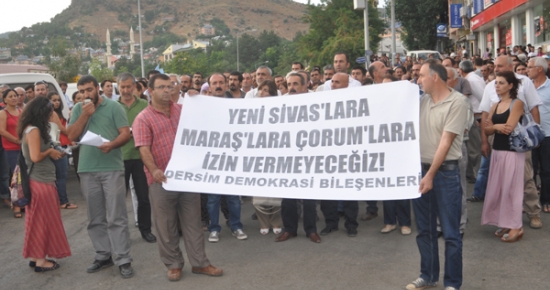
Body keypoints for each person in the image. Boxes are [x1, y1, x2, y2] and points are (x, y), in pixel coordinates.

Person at [133, 73, 223, 281]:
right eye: (162, 87)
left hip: (187, 178)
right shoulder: (143, 118)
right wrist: (154, 169)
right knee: (166, 226)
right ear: (151, 91)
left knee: (193, 224)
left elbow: (208, 120)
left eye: (170, 86)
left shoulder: (184, 111)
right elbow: (144, 149)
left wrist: (198, 99)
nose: (167, 90)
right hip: (161, 180)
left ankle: (200, 263)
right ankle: (173, 264)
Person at [406, 60, 468, 290]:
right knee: (425, 229)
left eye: (421, 75)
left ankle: (452, 283)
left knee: (451, 232)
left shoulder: (458, 102)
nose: (417, 79)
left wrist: (430, 175)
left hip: (445, 174)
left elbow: (446, 142)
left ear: (435, 77)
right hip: (420, 172)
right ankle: (428, 275)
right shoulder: (421, 102)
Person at [67, 75, 134, 278]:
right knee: (95, 217)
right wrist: (85, 115)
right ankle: (103, 255)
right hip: (87, 169)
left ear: (97, 88)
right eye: (82, 92)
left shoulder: (114, 107)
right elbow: (71, 136)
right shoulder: (79, 109)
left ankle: (123, 258)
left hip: (111, 167)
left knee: (117, 216)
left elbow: (125, 133)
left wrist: (111, 145)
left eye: (89, 90)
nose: (86, 95)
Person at [20, 97, 71, 272]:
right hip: (40, 181)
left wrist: (53, 150)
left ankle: (36, 257)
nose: (52, 113)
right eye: (50, 110)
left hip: (38, 180)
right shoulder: (33, 130)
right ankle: (41, 261)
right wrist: (50, 151)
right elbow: (35, 157)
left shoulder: (32, 129)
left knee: (37, 221)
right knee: (43, 222)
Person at [276, 73, 321, 244]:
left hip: (309, 154)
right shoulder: (280, 102)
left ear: (305, 86)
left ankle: (311, 230)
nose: (292, 87)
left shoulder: (316, 101)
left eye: (295, 83)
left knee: (309, 197)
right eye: (289, 84)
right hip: (288, 155)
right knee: (288, 197)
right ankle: (289, 229)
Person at [481, 71, 525, 243]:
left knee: (512, 190)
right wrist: (496, 127)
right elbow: (486, 130)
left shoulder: (518, 103)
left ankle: (516, 226)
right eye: (496, 83)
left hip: (513, 152)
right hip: (498, 151)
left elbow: (509, 127)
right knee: (500, 189)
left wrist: (495, 126)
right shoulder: (495, 105)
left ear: (510, 86)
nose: (497, 85)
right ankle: (507, 222)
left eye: (500, 83)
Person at [117, 72, 156, 243]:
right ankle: (121, 233)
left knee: (143, 197)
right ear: (118, 87)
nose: (126, 90)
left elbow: (151, 125)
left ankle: (145, 230)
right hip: (120, 157)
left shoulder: (144, 104)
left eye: (128, 87)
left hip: (141, 157)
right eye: (122, 87)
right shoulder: (113, 106)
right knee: (118, 199)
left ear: (134, 87)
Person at [47, 92, 77, 210]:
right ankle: (63, 201)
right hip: (56, 146)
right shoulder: (52, 113)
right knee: (61, 176)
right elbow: (62, 130)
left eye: (58, 100)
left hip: (50, 146)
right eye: (54, 100)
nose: (57, 102)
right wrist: (72, 137)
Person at [527, 57, 550, 213]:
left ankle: (546, 200)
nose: (527, 69)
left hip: (547, 135)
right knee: (530, 171)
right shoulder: (526, 87)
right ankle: (530, 204)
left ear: (540, 69)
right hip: (528, 136)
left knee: (547, 170)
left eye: (530, 67)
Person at [0, 89, 22, 218]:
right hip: (11, 149)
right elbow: (2, 131)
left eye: (15, 96)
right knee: (15, 178)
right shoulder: (3, 113)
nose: (14, 98)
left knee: (24, 177)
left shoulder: (21, 111)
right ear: (5, 99)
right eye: (11, 96)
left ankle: (23, 202)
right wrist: (16, 140)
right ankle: (17, 206)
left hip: (23, 148)